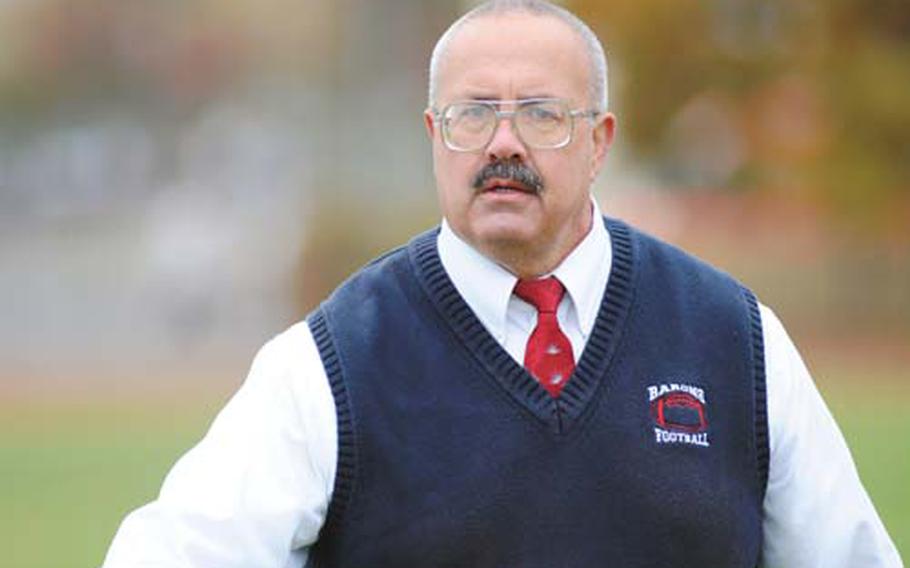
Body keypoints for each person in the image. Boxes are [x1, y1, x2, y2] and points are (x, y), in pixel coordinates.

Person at [103, 1, 903, 567]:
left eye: (544, 114)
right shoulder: (330, 364)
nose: (503, 142)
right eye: (472, 114)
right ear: (433, 136)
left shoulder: (736, 340)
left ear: (599, 142)